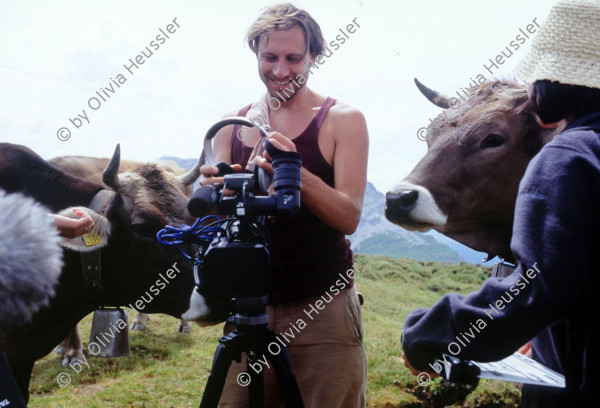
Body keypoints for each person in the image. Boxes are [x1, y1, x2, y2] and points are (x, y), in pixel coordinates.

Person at [401, 1, 600, 406]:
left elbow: (536, 289)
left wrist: (427, 335)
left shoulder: (570, 154)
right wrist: (546, 336)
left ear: (548, 87)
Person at [199, 3, 369, 407]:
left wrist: (295, 170)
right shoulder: (233, 124)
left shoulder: (342, 120)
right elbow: (210, 220)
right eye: (269, 57)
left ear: (315, 56)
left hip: (322, 307)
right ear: (255, 53)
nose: (280, 71)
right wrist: (215, 193)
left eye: (294, 58)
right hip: (247, 309)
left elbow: (348, 216)